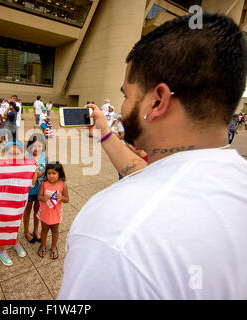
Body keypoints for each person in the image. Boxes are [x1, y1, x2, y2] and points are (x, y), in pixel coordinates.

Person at [59, 12, 247, 300]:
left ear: (157, 101)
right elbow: (149, 173)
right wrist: (105, 134)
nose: (122, 107)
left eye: (126, 95)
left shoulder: (114, 232)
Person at [0, 141, 38, 266]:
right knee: (4, 225)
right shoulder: (2, 167)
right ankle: (2, 250)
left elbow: (32, 183)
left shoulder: (24, 167)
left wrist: (34, 168)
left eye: (17, 153)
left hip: (19, 202)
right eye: (11, 153)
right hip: (5, 202)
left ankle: (13, 241)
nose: (14, 156)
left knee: (15, 223)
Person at [37, 162, 69, 259]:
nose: (51, 176)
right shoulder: (43, 184)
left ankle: (54, 247)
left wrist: (61, 197)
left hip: (56, 213)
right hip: (45, 212)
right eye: (49, 173)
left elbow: (67, 199)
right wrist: (43, 198)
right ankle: (42, 246)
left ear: (60, 173)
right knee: (44, 230)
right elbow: (38, 197)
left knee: (55, 231)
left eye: (54, 173)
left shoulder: (62, 185)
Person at [23, 133, 48, 243]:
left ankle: (36, 230)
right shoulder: (27, 156)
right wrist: (35, 174)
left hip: (40, 188)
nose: (36, 148)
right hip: (29, 189)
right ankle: (26, 231)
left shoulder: (45, 156)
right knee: (28, 209)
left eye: (39, 146)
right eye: (34, 146)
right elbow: (24, 173)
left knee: (37, 210)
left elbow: (48, 171)